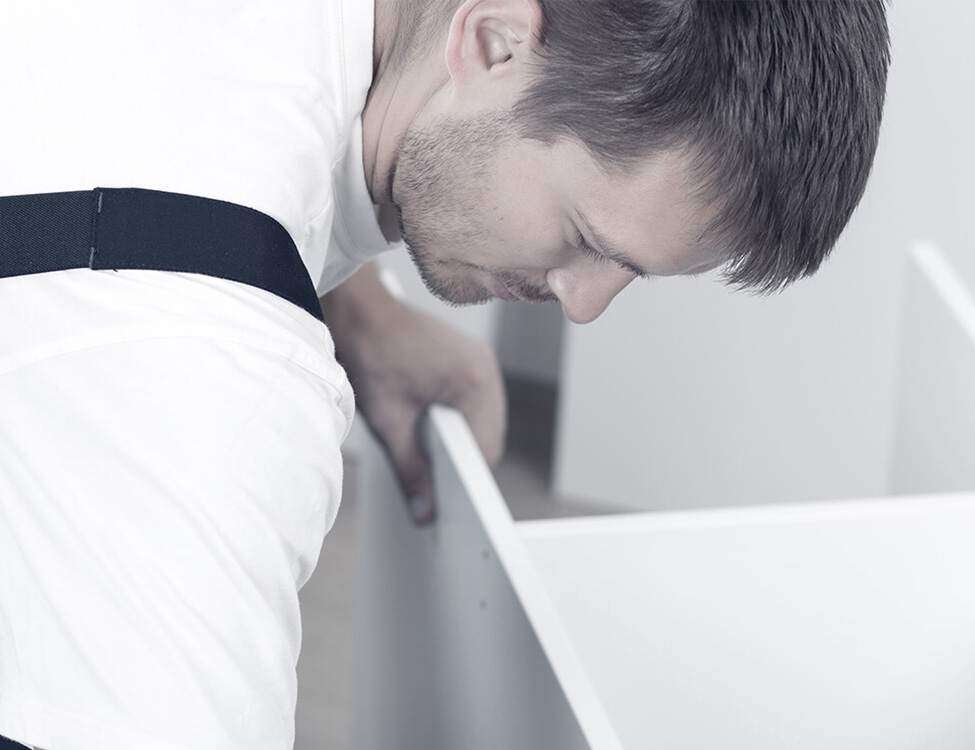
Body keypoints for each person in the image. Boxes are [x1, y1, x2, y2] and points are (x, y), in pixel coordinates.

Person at [0, 0, 889, 748]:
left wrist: (354, 308)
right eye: (585, 237)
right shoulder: (210, 396)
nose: (583, 305)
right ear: (493, 42)